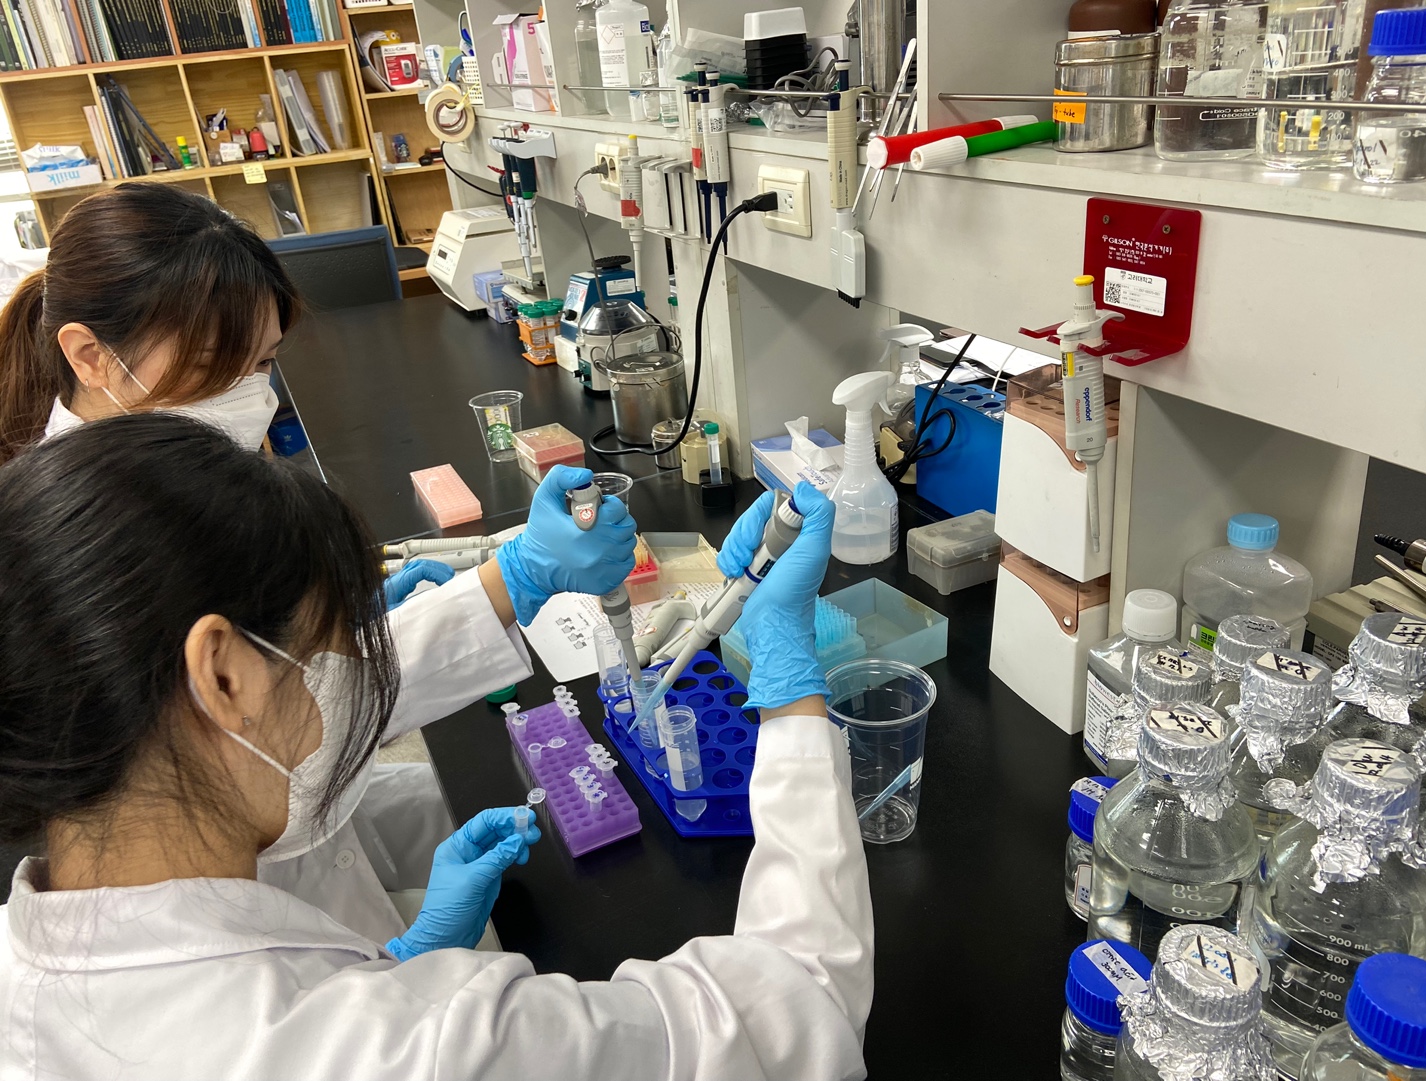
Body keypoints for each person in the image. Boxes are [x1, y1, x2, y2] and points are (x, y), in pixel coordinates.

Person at [0, 415, 872, 1080]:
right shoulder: (421, 1047)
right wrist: (789, 677)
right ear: (222, 676)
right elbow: (798, 1008)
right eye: (325, 654)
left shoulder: (35, 969)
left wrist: (393, 960)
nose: (336, 697)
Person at [0, 183, 641, 947]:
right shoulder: (87, 543)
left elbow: (285, 700)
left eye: (263, 361)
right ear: (89, 356)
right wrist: (515, 579)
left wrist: (329, 625)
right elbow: (296, 729)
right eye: (213, 363)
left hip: (305, 840)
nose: (253, 396)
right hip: (244, 911)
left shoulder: (157, 480)